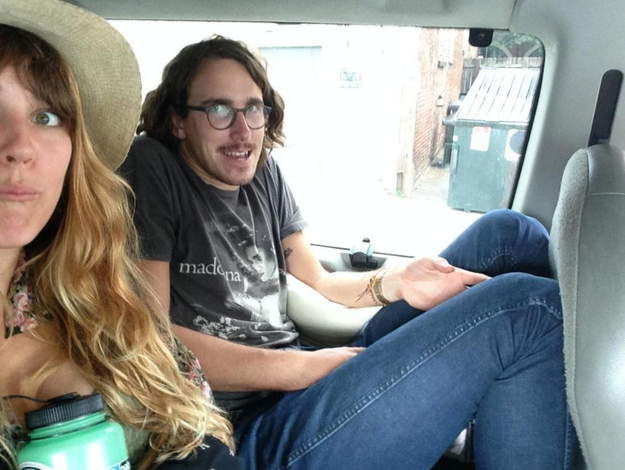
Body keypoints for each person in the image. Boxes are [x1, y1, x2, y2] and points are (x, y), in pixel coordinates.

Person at [120, 35, 575, 469]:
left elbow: (318, 279)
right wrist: (298, 368)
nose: (243, 131)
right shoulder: (152, 166)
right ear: (178, 121)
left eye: (253, 108)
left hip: (302, 386)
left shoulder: (262, 174)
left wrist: (394, 283)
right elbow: (151, 340)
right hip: (243, 429)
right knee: (531, 310)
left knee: (509, 234)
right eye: (219, 109)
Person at [0, 1, 244, 469]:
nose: (21, 147)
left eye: (47, 117)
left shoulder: (101, 303)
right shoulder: (157, 170)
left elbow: (198, 424)